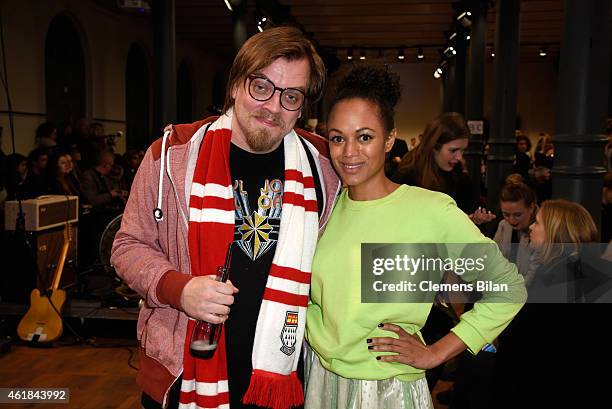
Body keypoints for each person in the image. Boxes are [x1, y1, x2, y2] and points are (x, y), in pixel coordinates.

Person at [111, 26, 340, 409]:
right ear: (235, 85)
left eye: (291, 96)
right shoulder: (172, 155)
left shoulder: (324, 167)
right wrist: (177, 288)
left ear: (302, 106)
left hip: (282, 374)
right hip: (184, 369)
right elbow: (127, 245)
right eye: (261, 87)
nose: (272, 107)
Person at [304, 65, 526, 409]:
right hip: (320, 380)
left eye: (364, 137)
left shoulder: (430, 210)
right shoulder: (321, 210)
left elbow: (508, 287)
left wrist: (437, 352)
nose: (348, 152)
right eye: (337, 138)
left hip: (387, 388)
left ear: (390, 139)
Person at [492, 199, 611, 409]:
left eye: (537, 223)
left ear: (555, 233)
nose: (531, 227)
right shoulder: (598, 268)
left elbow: (519, 343)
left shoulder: (555, 276)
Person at [393, 112, 495, 225]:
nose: (459, 157)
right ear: (434, 146)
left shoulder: (457, 171)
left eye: (462, 150)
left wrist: (472, 218)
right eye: (453, 150)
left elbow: (467, 207)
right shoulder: (408, 173)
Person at [493, 174, 539, 286]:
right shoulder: (503, 225)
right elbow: (492, 257)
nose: (511, 220)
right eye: (506, 214)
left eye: (517, 214)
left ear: (531, 208)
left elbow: (533, 277)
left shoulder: (540, 233)